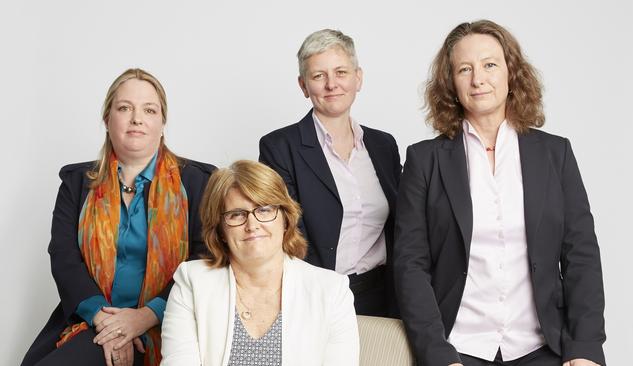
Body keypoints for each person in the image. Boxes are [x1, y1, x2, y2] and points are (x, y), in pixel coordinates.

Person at [394, 20, 606, 366]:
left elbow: (581, 254)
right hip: (458, 347)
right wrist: (437, 354)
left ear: (512, 73)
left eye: (489, 65)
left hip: (543, 347)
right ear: (451, 83)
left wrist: (585, 348)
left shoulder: (555, 154)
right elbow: (410, 265)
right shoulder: (424, 160)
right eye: (465, 69)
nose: (478, 79)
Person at [21, 68, 215, 366]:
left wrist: (143, 318)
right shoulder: (76, 182)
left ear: (162, 123)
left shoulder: (199, 182)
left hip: (172, 320)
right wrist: (106, 322)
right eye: (125, 108)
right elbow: (63, 257)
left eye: (149, 110)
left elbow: (204, 261)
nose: (137, 118)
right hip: (92, 321)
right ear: (107, 119)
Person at [259, 29, 401, 317]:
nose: (331, 84)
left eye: (341, 72)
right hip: (314, 296)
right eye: (318, 75)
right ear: (303, 86)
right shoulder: (279, 147)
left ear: (358, 78)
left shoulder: (383, 145)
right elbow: (284, 233)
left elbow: (403, 223)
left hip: (382, 295)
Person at [160, 160, 359, 365]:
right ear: (220, 230)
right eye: (236, 214)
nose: (252, 225)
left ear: (285, 219)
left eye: (264, 210)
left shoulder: (332, 290)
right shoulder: (192, 283)